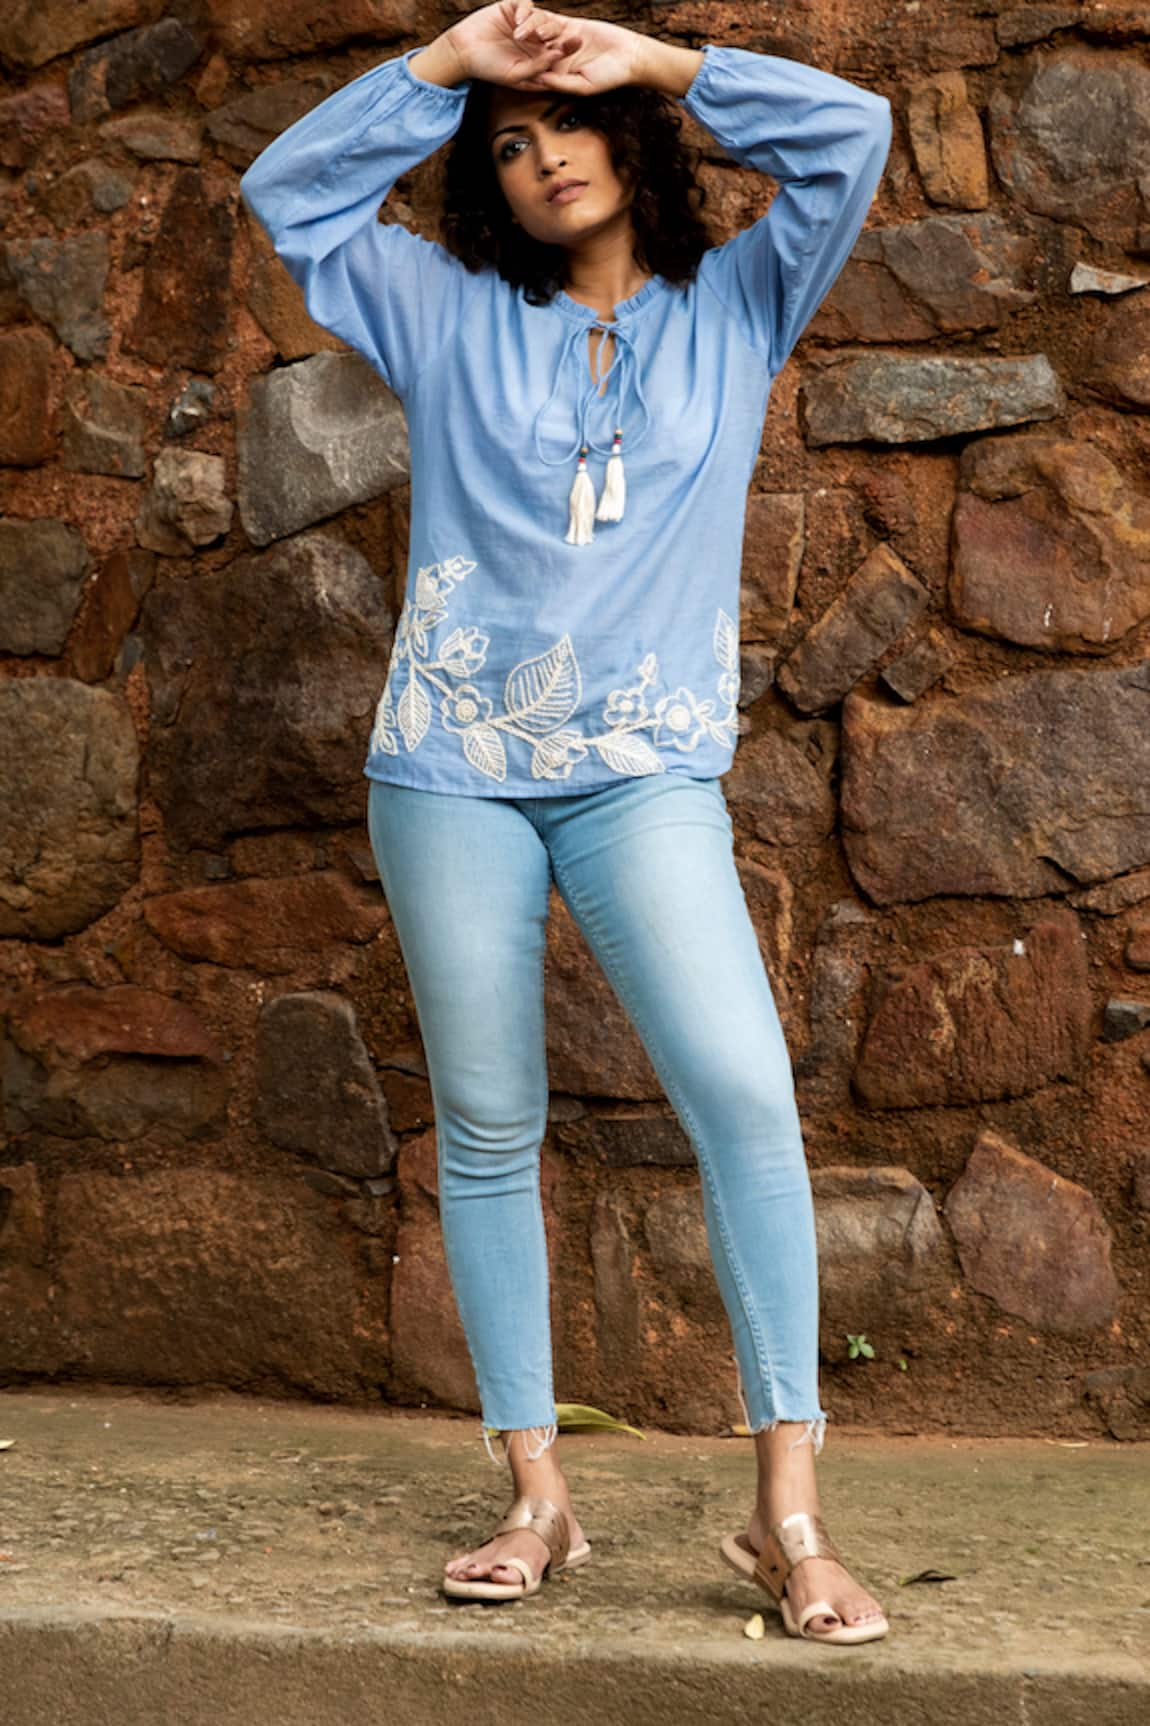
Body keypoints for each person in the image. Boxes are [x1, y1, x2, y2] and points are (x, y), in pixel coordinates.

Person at [240, 0, 892, 1643]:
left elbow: (852, 138)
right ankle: (536, 1490)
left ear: (627, 138)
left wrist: (644, 55)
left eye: (564, 125)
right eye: (509, 148)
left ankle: (785, 1514)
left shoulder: (740, 302)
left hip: (641, 772)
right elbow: (291, 196)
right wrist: (450, 67)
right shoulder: (448, 313)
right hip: (447, 769)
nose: (542, 158)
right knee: (485, 1122)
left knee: (742, 1095)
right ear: (487, 186)